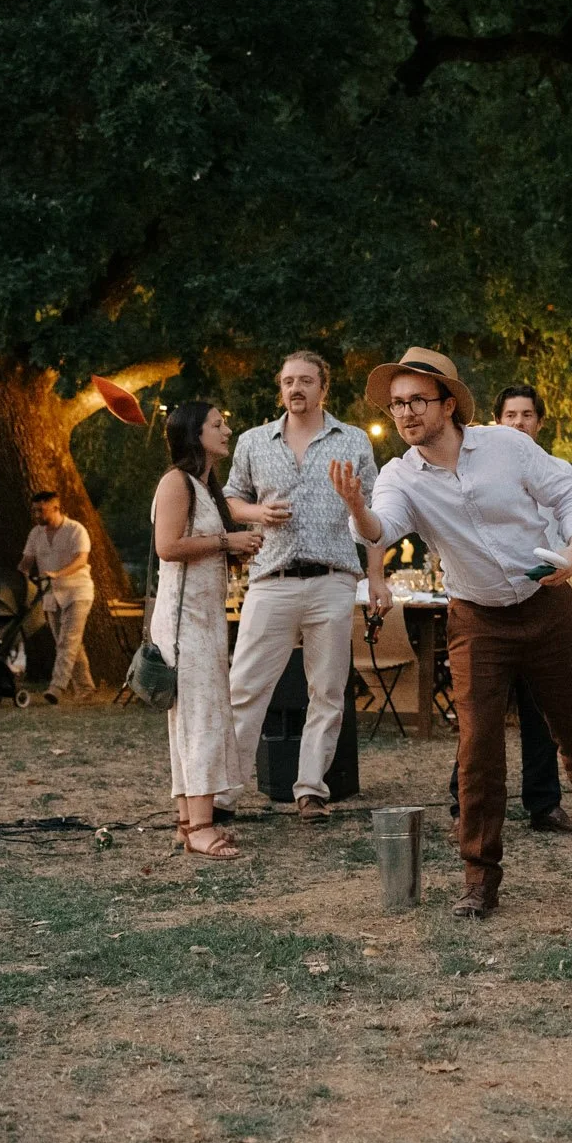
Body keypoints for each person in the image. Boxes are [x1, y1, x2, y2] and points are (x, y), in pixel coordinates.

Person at [329, 347, 572, 916]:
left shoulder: (506, 445)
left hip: (547, 606)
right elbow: (382, 526)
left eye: (416, 401)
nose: (404, 414)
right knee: (478, 752)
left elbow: (566, 493)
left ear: (448, 404)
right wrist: (356, 508)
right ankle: (480, 878)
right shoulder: (401, 476)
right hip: (477, 621)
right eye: (397, 404)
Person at [218, 352, 390, 824]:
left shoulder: (353, 440)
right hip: (271, 580)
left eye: (306, 381)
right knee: (245, 688)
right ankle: (223, 793)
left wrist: (375, 576)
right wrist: (258, 514)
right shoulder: (254, 441)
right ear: (281, 388)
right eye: (289, 381)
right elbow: (233, 499)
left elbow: (378, 519)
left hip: (332, 580)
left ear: (323, 389)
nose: (296, 388)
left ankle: (311, 789)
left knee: (328, 691)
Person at [441, 383, 572, 835]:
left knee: (542, 712)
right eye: (510, 416)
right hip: (487, 607)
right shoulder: (479, 473)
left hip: (542, 599)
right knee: (481, 713)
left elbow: (567, 524)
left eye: (527, 415)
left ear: (540, 422)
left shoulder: (556, 470)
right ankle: (466, 798)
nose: (519, 423)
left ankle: (545, 804)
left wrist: (564, 563)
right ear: (497, 423)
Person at [152, 402, 261, 859]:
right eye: (217, 425)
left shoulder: (205, 486)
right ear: (194, 434)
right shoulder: (176, 482)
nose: (227, 429)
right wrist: (226, 541)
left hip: (206, 618)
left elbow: (199, 547)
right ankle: (200, 826)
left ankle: (187, 821)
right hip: (183, 623)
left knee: (198, 718)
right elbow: (168, 546)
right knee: (199, 720)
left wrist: (234, 552)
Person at [19, 490, 96, 704]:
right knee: (69, 644)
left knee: (67, 641)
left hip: (77, 592)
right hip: (51, 595)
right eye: (34, 511)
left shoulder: (75, 530)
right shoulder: (36, 534)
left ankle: (56, 688)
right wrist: (17, 579)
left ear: (55, 507)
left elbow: (81, 560)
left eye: (40, 510)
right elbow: (26, 562)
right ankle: (86, 688)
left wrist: (58, 574)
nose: (36, 515)